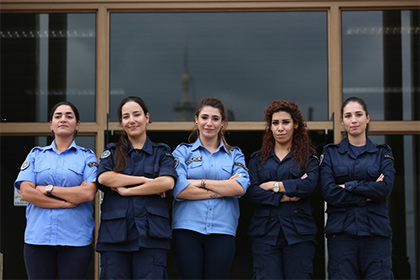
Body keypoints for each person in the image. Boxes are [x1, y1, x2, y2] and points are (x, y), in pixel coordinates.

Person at [95, 96, 177, 279]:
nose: (131, 120)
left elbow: (167, 182)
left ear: (147, 117)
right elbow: (104, 177)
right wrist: (145, 181)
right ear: (121, 122)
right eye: (126, 116)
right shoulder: (113, 152)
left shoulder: (161, 152)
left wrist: (128, 190)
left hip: (151, 238)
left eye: (136, 114)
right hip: (115, 238)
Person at [14, 101, 98, 279]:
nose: (63, 119)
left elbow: (87, 193)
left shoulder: (87, 156)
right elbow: (26, 193)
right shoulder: (36, 154)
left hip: (75, 239)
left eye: (69, 116)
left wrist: (47, 189)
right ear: (50, 124)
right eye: (58, 116)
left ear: (77, 124)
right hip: (38, 239)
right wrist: (67, 203)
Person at [171, 97, 250, 279]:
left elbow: (239, 187)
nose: (209, 123)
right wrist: (222, 190)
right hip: (186, 231)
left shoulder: (235, 154)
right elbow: (180, 189)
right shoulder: (182, 152)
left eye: (215, 119)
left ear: (223, 122)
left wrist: (199, 182)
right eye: (204, 117)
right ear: (196, 120)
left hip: (223, 231)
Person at [320, 96, 395, 279]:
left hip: (375, 234)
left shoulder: (382, 153)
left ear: (367, 118)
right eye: (348, 115)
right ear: (342, 121)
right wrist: (367, 193)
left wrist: (348, 186)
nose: (354, 120)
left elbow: (384, 188)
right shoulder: (330, 153)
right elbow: (329, 192)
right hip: (342, 235)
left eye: (358, 114)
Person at [246, 100, 319, 279]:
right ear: (269, 127)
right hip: (265, 234)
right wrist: (284, 196)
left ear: (295, 124)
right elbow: (251, 191)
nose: (280, 128)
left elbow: (308, 185)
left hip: (299, 234)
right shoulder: (258, 159)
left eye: (285, 122)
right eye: (275, 123)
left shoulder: (308, 157)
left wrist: (273, 186)